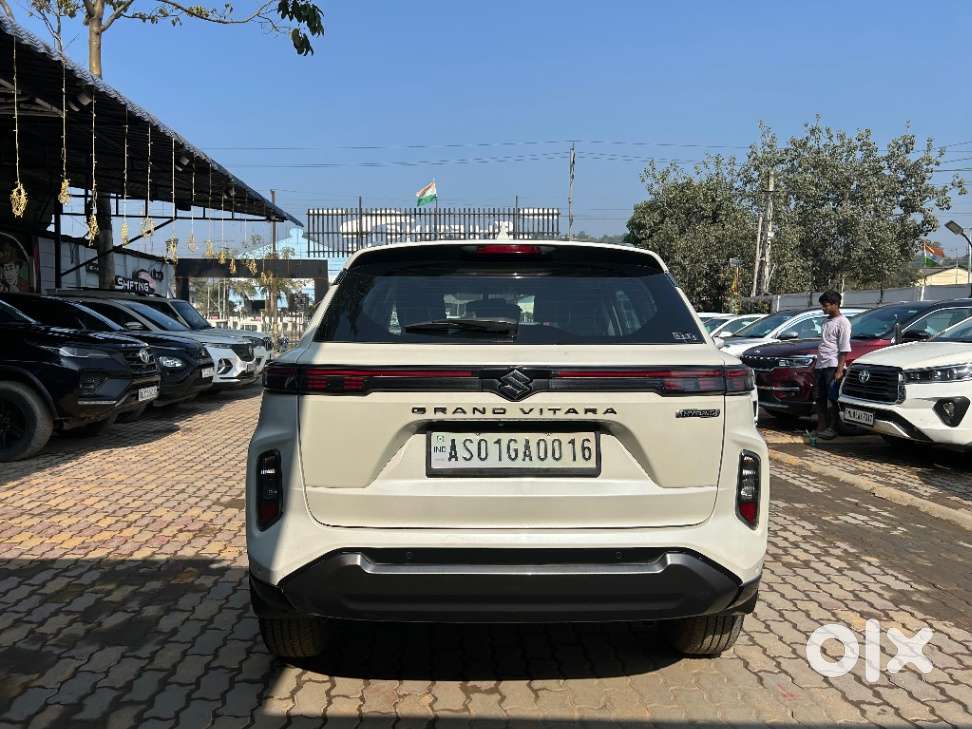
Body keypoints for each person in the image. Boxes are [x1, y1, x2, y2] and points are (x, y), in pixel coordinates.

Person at [814, 290, 852, 440]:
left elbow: (844, 348)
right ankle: (821, 426)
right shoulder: (826, 322)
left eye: (826, 305)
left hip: (833, 365)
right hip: (820, 365)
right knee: (819, 396)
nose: (823, 308)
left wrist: (839, 370)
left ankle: (833, 427)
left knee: (832, 398)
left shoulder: (843, 323)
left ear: (835, 304)